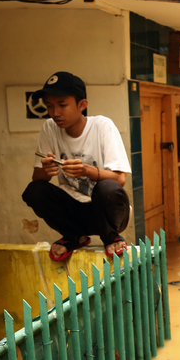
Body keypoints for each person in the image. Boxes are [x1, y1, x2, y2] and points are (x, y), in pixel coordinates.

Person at [22, 72, 131, 261]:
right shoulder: (49, 128)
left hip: (108, 214)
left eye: (62, 105)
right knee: (34, 191)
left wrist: (86, 170)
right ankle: (73, 236)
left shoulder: (102, 126)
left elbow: (120, 179)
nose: (55, 112)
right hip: (74, 213)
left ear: (82, 105)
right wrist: (45, 171)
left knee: (108, 187)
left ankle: (110, 236)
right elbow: (38, 179)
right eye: (49, 106)